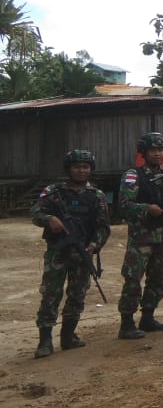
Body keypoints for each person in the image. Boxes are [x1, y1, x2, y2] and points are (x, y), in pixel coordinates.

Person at [31, 149, 110, 358]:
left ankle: (68, 336)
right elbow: (35, 212)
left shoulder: (96, 196)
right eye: (77, 167)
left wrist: (94, 244)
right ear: (69, 169)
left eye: (85, 167)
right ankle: (45, 341)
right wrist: (49, 220)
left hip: (82, 253)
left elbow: (103, 227)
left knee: (77, 295)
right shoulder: (54, 191)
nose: (81, 171)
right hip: (58, 252)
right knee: (50, 294)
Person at [117, 132, 163, 340]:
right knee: (133, 281)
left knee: (157, 280)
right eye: (153, 150)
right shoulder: (133, 176)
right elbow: (123, 205)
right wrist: (147, 208)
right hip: (141, 239)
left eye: (160, 150)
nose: (157, 154)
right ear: (144, 152)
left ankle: (148, 317)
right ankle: (126, 323)